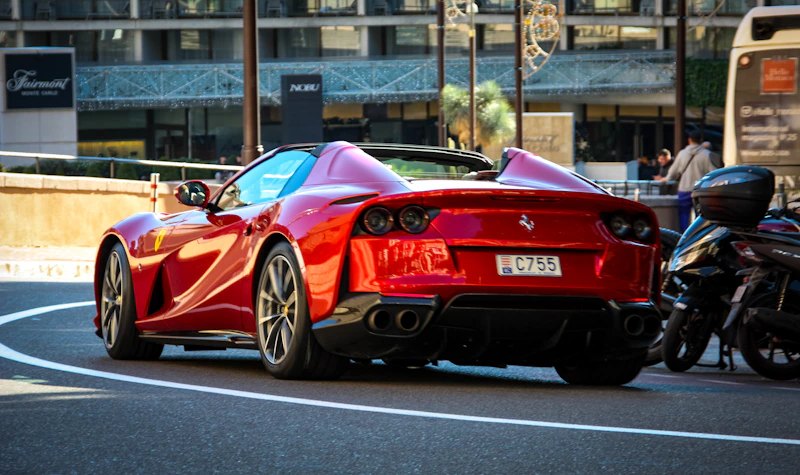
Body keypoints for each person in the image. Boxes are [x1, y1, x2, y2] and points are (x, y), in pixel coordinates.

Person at [660, 131, 719, 231]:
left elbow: (673, 172)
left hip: (684, 189)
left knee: (683, 214)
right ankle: (696, 236)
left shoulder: (682, 154)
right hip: (700, 189)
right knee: (700, 216)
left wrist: (666, 178)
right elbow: (713, 173)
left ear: (689, 140)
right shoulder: (707, 154)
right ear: (701, 140)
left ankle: (684, 236)